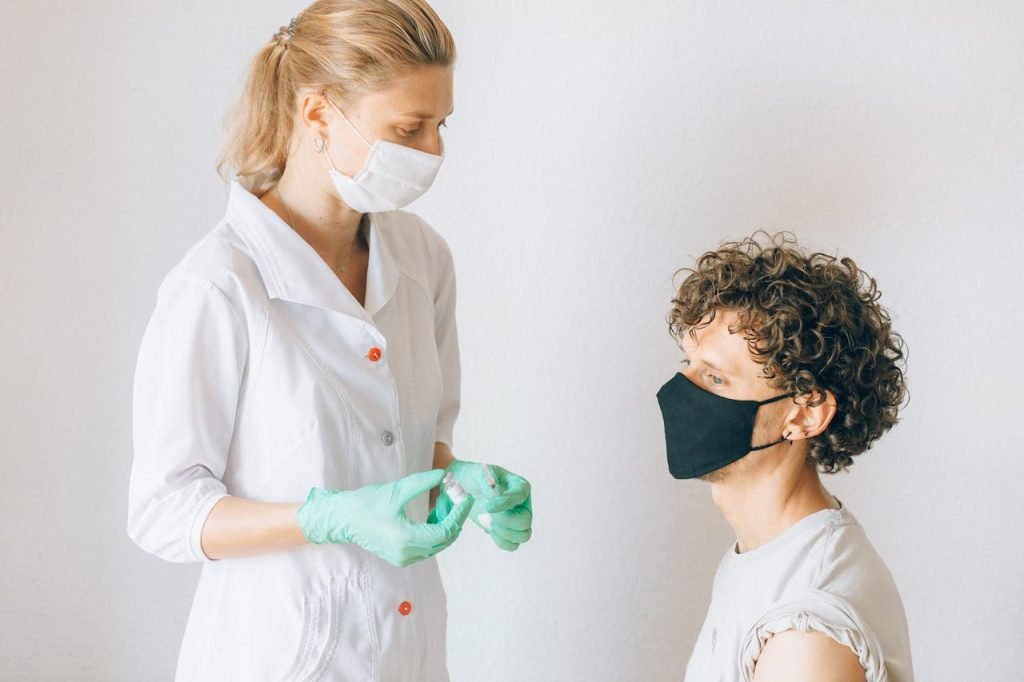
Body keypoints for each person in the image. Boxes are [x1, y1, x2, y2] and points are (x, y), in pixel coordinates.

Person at [127, 2, 532, 679]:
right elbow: (163, 512)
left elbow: (414, 447)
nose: (433, 151)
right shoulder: (220, 285)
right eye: (409, 127)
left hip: (408, 650)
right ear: (317, 115)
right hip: (277, 654)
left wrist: (459, 481)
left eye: (440, 126)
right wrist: (326, 519)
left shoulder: (422, 259)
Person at [657, 232, 913, 681]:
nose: (684, 392)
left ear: (806, 413)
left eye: (716, 379)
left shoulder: (807, 632)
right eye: (688, 366)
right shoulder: (769, 554)